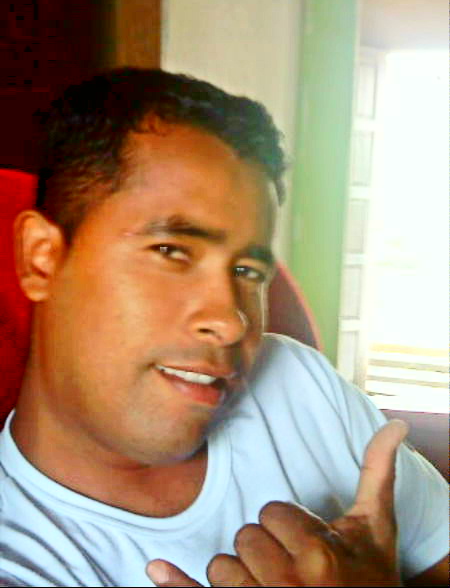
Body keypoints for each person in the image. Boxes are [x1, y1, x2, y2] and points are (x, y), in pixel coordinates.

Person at [0, 68, 447, 588]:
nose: (232, 322)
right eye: (171, 251)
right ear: (42, 258)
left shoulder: (300, 387)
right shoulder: (19, 557)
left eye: (247, 272)